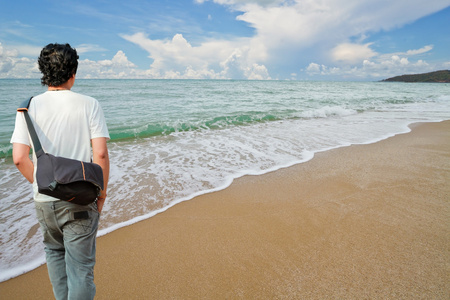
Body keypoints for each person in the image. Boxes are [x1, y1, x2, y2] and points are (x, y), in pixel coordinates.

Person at [10, 43, 110, 300]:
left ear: (43, 72)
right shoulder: (90, 104)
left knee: (54, 254)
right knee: (81, 269)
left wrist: (47, 184)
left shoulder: (27, 107)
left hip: (44, 200)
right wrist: (102, 194)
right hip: (80, 199)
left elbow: (20, 159)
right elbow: (99, 154)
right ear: (73, 72)